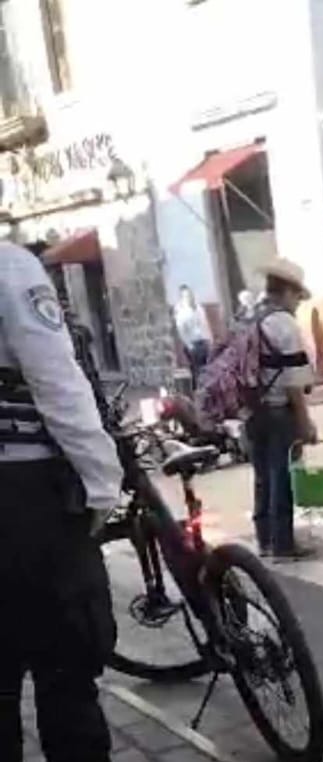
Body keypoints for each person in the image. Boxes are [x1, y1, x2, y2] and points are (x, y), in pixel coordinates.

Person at [0, 242, 124, 761]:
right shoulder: (9, 265)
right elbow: (56, 380)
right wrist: (102, 482)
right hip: (25, 498)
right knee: (66, 673)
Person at [247, 260, 318, 561]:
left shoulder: (249, 316)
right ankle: (283, 545)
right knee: (282, 477)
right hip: (279, 411)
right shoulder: (284, 324)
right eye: (298, 297)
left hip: (251, 410)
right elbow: (293, 382)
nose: (298, 304)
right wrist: (305, 423)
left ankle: (264, 540)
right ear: (287, 291)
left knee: (262, 477)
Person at [174, 285, 213, 388]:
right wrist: (189, 345)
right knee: (196, 368)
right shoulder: (181, 312)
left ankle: (207, 387)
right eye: (186, 296)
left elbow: (205, 324)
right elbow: (181, 330)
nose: (189, 297)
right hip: (192, 343)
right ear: (182, 297)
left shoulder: (199, 308)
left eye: (190, 295)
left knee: (207, 365)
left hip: (203, 340)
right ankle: (198, 388)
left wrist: (209, 338)